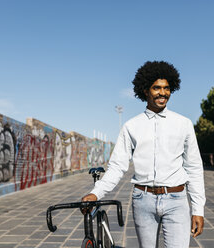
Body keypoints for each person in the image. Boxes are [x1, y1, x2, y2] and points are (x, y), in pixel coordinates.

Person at [82, 61, 205, 248]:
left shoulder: (184, 124)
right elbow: (117, 167)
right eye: (156, 88)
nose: (162, 93)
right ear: (145, 90)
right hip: (143, 200)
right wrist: (95, 193)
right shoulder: (131, 126)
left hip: (177, 199)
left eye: (166, 88)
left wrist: (198, 209)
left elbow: (194, 168)